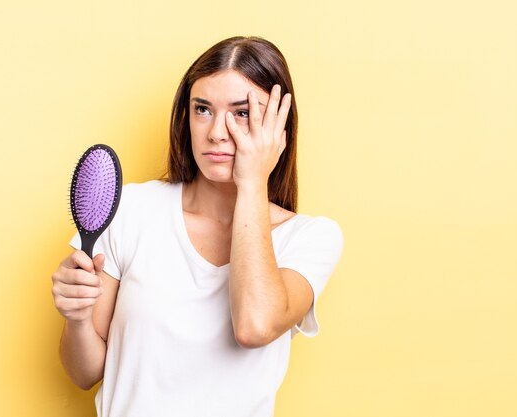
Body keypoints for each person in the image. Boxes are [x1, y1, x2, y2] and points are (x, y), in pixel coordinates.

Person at [51, 36, 343, 417]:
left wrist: (253, 180)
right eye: (202, 109)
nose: (217, 133)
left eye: (242, 113)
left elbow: (254, 327)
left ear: (278, 127)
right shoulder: (131, 209)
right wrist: (76, 319)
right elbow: (83, 373)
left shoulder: (309, 238)